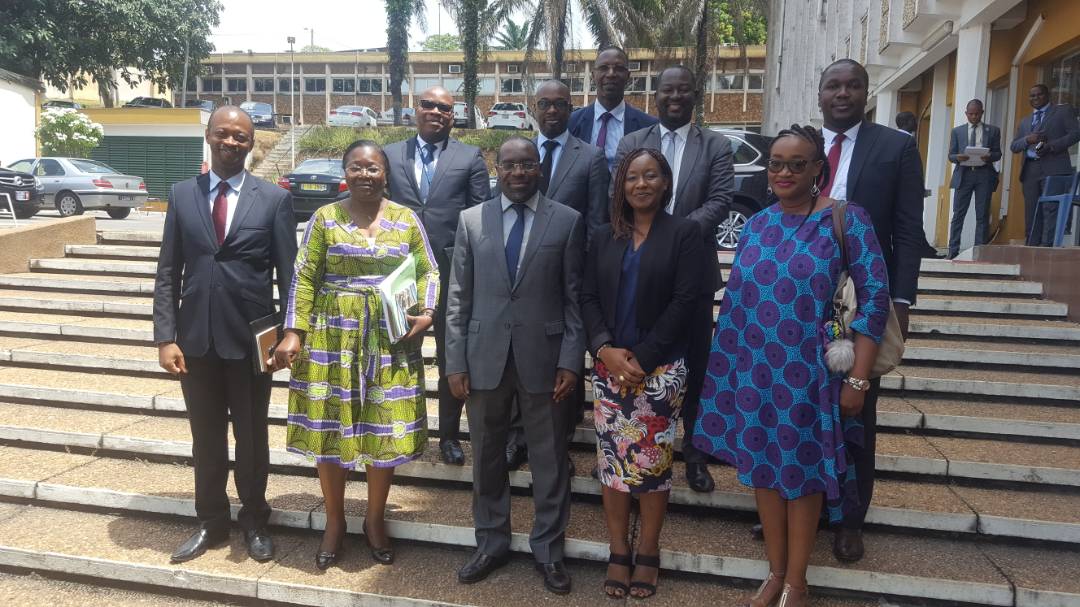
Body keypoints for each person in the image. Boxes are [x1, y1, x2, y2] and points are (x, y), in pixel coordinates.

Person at [695, 125, 890, 607]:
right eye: (776, 163)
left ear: (818, 168)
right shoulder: (758, 224)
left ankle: (797, 583)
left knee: (803, 476)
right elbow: (739, 303)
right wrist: (728, 375)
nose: (783, 172)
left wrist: (858, 379)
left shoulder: (847, 219)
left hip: (812, 375)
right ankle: (775, 572)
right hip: (756, 372)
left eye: (796, 164)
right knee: (762, 470)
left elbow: (874, 301)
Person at [274, 140, 440, 570]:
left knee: (382, 427)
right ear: (344, 172)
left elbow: (429, 269)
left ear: (386, 174)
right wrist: (293, 332)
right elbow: (304, 277)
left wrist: (427, 311)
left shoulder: (406, 219)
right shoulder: (324, 218)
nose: (364, 175)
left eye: (373, 168)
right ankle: (334, 521)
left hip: (390, 338)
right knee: (334, 428)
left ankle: (374, 519)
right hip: (333, 338)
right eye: (356, 167)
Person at [153, 106, 297, 564]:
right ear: (209, 136)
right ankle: (211, 522)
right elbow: (168, 271)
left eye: (240, 136)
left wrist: (290, 332)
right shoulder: (182, 194)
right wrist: (165, 337)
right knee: (206, 437)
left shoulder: (272, 199)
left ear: (251, 143)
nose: (231, 142)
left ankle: (255, 520)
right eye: (223, 133)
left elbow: (290, 276)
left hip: (254, 341)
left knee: (252, 437)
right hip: (195, 341)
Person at [446, 137, 585, 595]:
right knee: (487, 457)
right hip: (483, 358)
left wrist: (571, 360)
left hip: (545, 360)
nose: (518, 172)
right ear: (497, 169)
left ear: (539, 168)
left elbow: (574, 299)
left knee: (550, 461)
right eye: (509, 165)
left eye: (527, 164)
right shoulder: (471, 221)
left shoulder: (567, 221)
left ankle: (549, 551)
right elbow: (458, 297)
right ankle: (491, 542)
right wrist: (455, 361)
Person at [814, 58, 924, 562]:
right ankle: (805, 506)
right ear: (820, 95)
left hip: (865, 298)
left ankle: (850, 520)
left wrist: (901, 300)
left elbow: (907, 230)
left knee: (856, 410)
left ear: (866, 93)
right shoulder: (802, 148)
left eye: (853, 85)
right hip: (804, 300)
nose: (843, 94)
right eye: (833, 86)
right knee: (803, 407)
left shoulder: (895, 148)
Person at [583, 148, 704, 599]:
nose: (641, 184)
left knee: (654, 466)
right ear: (621, 186)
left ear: (665, 182)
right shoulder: (604, 235)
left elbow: (685, 301)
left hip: (662, 372)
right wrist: (605, 349)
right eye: (632, 177)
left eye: (650, 175)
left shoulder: (684, 233)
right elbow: (587, 296)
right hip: (609, 370)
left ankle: (648, 549)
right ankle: (619, 549)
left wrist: (644, 357)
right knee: (612, 464)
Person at [614, 65, 735, 494]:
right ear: (657, 96)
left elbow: (721, 199)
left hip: (694, 273)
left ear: (695, 95)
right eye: (668, 90)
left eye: (684, 90)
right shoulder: (631, 143)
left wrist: (671, 236)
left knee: (696, 366)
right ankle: (626, 447)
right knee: (638, 356)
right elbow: (618, 197)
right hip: (637, 272)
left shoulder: (716, 145)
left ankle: (695, 456)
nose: (675, 97)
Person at [504, 79, 609, 472]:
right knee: (517, 358)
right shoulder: (517, 155)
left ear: (571, 109)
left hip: (568, 277)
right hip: (518, 278)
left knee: (564, 362)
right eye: (544, 103)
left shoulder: (591, 157)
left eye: (560, 104)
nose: (552, 110)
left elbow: (597, 222)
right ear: (534, 107)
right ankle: (517, 438)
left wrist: (585, 274)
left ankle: (558, 445)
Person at [384, 86, 491, 466]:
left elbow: (481, 216)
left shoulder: (469, 157)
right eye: (428, 104)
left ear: (453, 115)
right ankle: (395, 430)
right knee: (395, 351)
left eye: (444, 107)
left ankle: (448, 436)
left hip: (451, 273)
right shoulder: (390, 154)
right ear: (416, 109)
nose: (435, 112)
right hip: (398, 274)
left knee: (451, 356)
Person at [1009, 84, 1080, 246]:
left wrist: (1052, 146)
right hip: (1030, 170)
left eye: (1039, 94)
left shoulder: (1062, 111)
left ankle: (1047, 249)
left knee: (1050, 209)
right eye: (1032, 96)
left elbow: (1076, 133)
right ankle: (1031, 247)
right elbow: (1014, 146)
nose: (1035, 98)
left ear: (1048, 95)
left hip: (1054, 168)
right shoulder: (1025, 121)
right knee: (1031, 212)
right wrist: (1028, 139)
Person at [569, 46, 659, 173]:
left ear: (628, 76)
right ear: (593, 75)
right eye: (603, 68)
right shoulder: (571, 123)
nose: (611, 74)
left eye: (619, 68)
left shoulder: (648, 126)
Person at [947, 99, 1002, 258]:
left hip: (983, 174)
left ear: (982, 113)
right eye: (971, 114)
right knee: (958, 214)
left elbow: (998, 153)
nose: (974, 117)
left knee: (982, 214)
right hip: (964, 175)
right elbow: (951, 155)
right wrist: (958, 157)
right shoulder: (957, 131)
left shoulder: (993, 131)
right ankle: (952, 251)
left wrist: (989, 156)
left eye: (977, 114)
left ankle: (980, 253)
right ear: (966, 113)